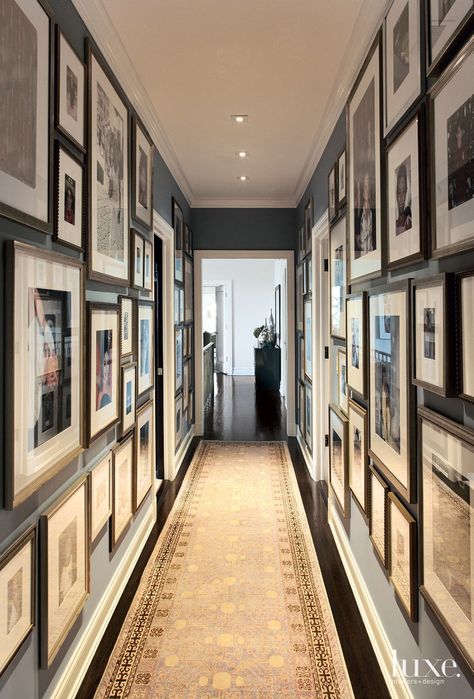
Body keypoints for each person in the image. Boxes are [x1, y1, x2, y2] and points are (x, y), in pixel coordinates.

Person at [395, 163, 412, 235]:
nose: (401, 198)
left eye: (404, 192)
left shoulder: (408, 222)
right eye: (399, 192)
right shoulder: (394, 223)